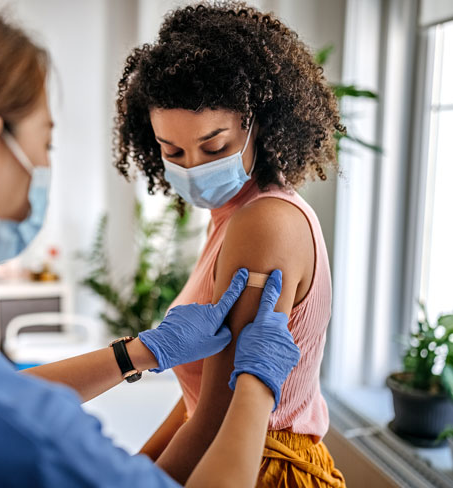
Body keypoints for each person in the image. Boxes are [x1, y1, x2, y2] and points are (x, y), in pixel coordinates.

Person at [0, 1, 300, 487]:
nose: (44, 166)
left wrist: (139, 352)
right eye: (45, 142)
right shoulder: (30, 436)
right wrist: (255, 386)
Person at [114, 2, 347, 486]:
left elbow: (217, 420)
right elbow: (195, 403)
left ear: (257, 122)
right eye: (172, 151)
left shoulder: (264, 224)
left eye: (214, 147)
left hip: (260, 467)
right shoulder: (229, 216)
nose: (194, 167)